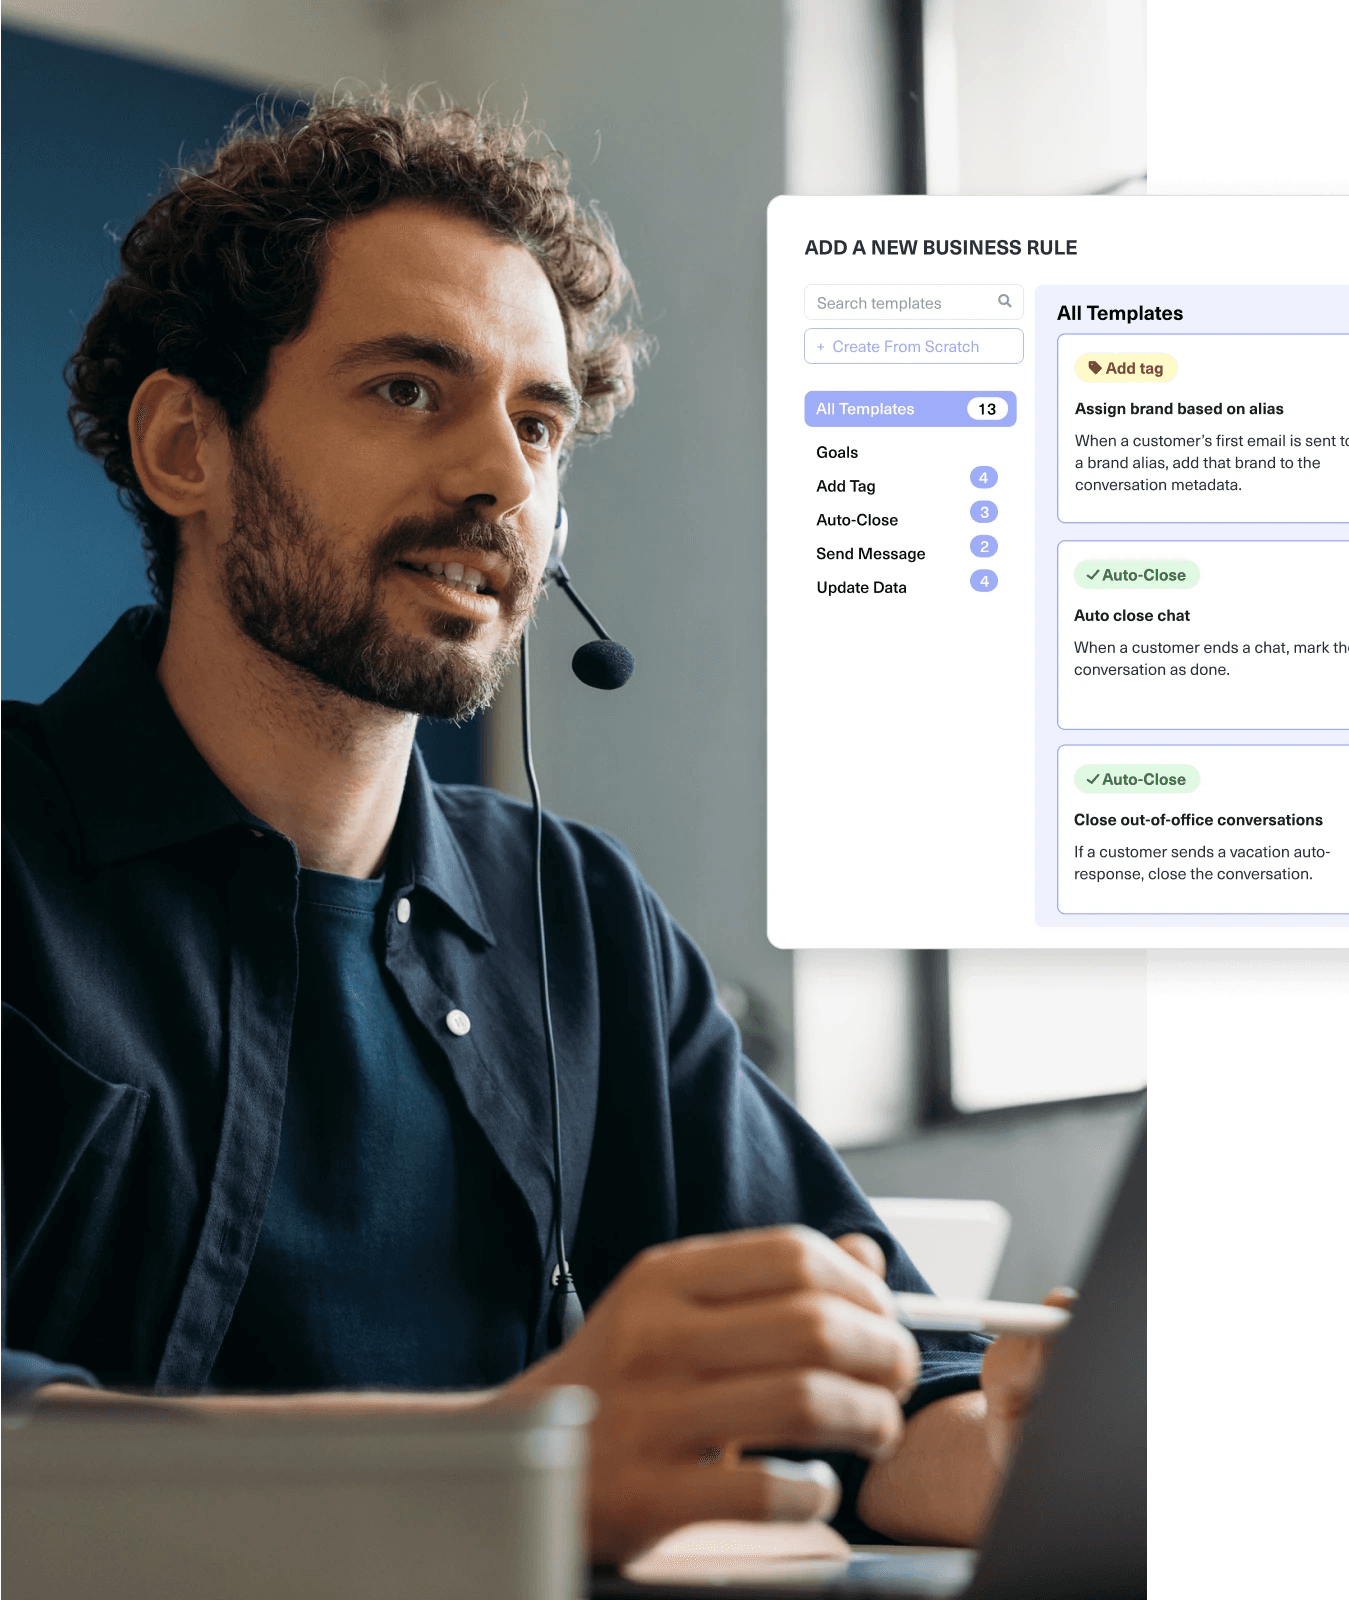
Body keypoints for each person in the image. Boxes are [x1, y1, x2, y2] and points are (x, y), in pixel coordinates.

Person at [0, 93, 1054, 1563]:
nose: (505, 480)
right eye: (409, 391)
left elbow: (875, 1386)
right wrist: (513, 1469)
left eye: (539, 420)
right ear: (188, 446)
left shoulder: (574, 912)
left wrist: (1032, 1450)